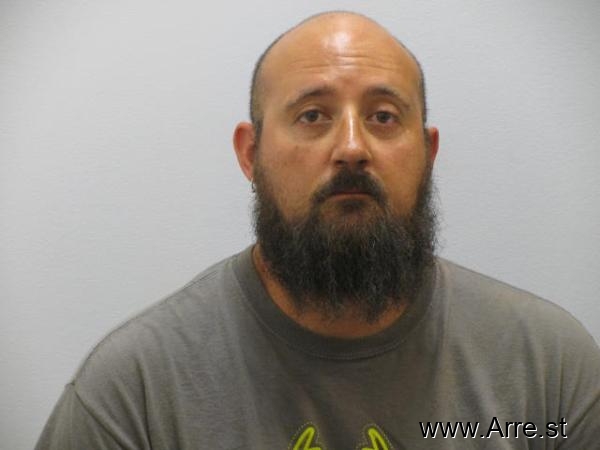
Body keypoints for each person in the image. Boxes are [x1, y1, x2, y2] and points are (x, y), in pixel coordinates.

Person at [35, 11, 599, 449]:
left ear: (427, 154)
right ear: (251, 154)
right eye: (312, 116)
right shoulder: (135, 394)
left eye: (383, 116)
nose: (352, 147)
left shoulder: (549, 371)